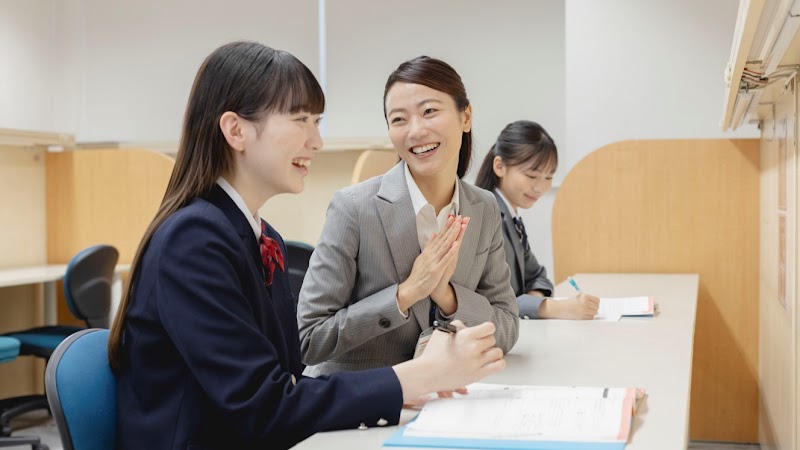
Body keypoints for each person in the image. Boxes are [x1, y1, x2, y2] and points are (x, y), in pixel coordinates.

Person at [107, 42, 506, 450]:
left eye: (316, 121)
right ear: (236, 130)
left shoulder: (259, 236)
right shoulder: (191, 241)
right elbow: (264, 407)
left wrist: (402, 389)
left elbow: (290, 377)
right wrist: (417, 376)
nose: (316, 141)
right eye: (301, 120)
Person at [297, 56, 519, 376]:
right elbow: (309, 339)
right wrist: (407, 293)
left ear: (466, 116)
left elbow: (508, 327)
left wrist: (447, 296)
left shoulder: (483, 208)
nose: (416, 131)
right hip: (361, 402)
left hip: (447, 396)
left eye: (429, 111)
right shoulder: (353, 208)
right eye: (399, 119)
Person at [475, 120, 599, 320]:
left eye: (548, 177)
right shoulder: (484, 218)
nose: (540, 188)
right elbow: (486, 301)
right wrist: (548, 308)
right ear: (499, 166)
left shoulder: (510, 217)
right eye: (532, 176)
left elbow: (538, 276)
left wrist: (533, 300)